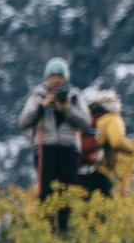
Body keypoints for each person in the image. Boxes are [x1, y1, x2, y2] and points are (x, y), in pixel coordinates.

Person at [19, 58, 90, 200]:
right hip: (45, 148)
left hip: (69, 149)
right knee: (46, 192)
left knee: (68, 192)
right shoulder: (38, 96)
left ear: (65, 78)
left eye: (60, 77)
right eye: (53, 77)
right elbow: (23, 122)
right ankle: (47, 221)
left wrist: (67, 110)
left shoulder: (74, 96)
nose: (56, 80)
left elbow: (86, 122)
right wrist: (41, 107)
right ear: (47, 78)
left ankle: (65, 221)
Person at [77, 90, 134, 196]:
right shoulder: (112, 118)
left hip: (84, 169)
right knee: (106, 208)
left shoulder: (92, 120)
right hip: (103, 171)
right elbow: (117, 142)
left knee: (85, 208)